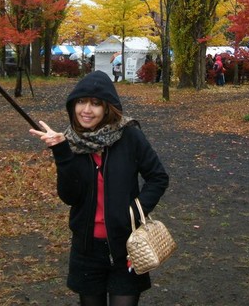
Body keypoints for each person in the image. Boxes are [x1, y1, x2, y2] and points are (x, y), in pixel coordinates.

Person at [29, 70, 169, 306]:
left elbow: (158, 177)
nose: (86, 110)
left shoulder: (129, 136)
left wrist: (134, 211)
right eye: (81, 102)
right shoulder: (70, 142)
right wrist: (61, 153)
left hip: (128, 246)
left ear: (107, 108)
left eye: (95, 103)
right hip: (87, 249)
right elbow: (70, 197)